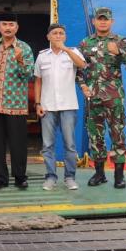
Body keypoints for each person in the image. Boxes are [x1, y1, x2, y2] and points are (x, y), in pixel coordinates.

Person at [78, 7, 126, 189]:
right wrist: (83, 85)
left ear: (112, 22)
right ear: (94, 22)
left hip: (114, 97)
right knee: (95, 135)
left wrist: (119, 52)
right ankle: (99, 173)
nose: (102, 22)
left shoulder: (120, 41)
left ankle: (119, 176)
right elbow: (78, 67)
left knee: (117, 134)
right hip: (93, 98)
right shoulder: (85, 44)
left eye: (106, 19)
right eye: (99, 19)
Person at [0, 14, 35, 190]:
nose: (8, 27)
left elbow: (29, 75)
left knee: (18, 144)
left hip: (15, 105)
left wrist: (19, 60)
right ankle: (0, 177)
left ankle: (20, 177)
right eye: (5, 24)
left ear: (17, 27)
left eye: (11, 24)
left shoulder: (24, 48)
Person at [34, 23, 87, 190]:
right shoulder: (42, 56)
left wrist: (66, 49)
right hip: (48, 106)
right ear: (48, 37)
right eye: (55, 33)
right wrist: (37, 103)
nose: (58, 36)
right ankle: (50, 177)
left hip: (68, 105)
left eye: (61, 33)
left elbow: (82, 65)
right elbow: (38, 80)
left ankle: (70, 177)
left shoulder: (73, 52)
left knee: (69, 144)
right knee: (48, 144)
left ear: (65, 37)